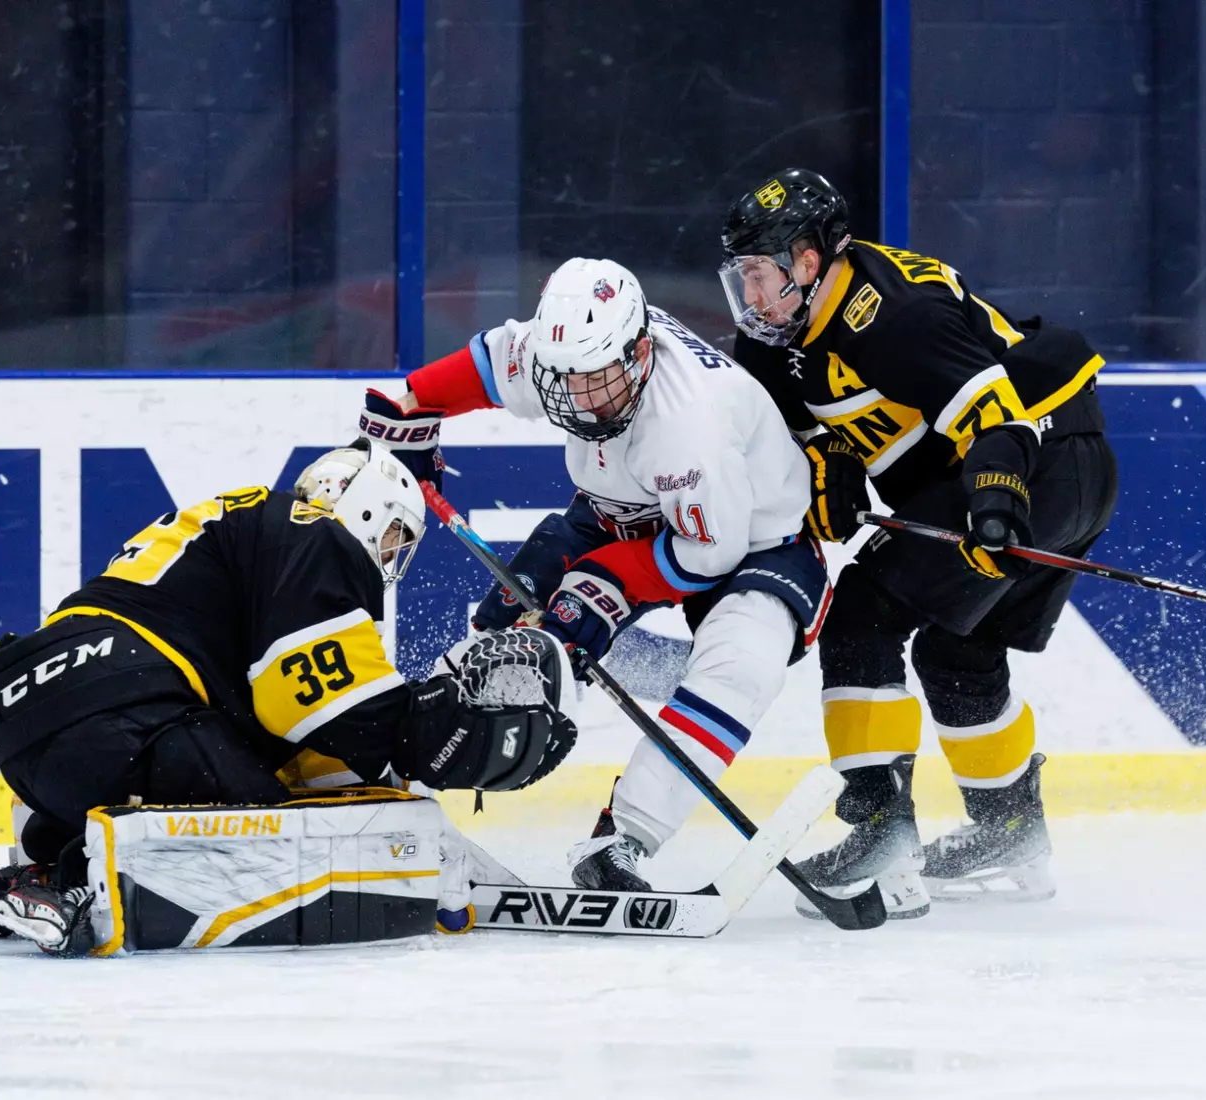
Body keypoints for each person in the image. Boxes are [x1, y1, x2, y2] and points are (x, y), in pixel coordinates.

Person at [0, 439, 578, 950]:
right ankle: (75, 884)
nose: (388, 561)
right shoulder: (311, 534)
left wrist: (386, 772)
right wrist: (433, 740)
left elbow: (289, 724)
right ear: (365, 511)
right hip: (120, 717)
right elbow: (318, 702)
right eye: (392, 540)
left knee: (241, 777)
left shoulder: (242, 533)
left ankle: (40, 860)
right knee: (276, 835)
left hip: (37, 727)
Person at [718, 168, 1119, 915]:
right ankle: (1010, 831)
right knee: (954, 651)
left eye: (760, 274)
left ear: (810, 262)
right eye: (740, 275)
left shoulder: (892, 313)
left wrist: (997, 503)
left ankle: (880, 833)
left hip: (1039, 464)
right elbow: (799, 428)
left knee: (862, 616)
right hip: (1063, 466)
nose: (749, 295)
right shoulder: (779, 335)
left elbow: (999, 420)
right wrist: (829, 463)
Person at [367, 256, 830, 892]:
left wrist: (604, 586)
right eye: (566, 382)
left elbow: (707, 554)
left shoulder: (690, 425)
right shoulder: (576, 355)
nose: (579, 401)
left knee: (739, 670)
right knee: (508, 629)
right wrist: (412, 404)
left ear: (640, 353)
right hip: (620, 511)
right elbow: (490, 362)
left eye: (595, 381)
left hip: (750, 540)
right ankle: (387, 778)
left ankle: (624, 841)